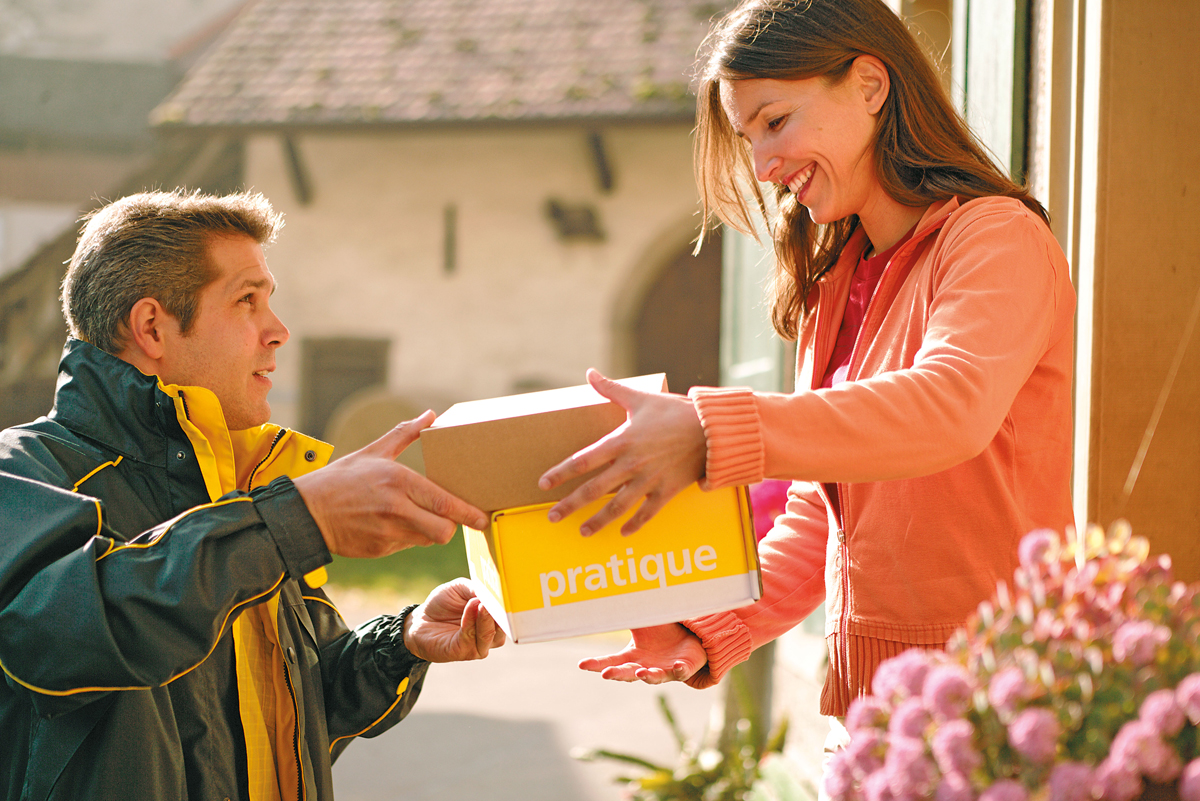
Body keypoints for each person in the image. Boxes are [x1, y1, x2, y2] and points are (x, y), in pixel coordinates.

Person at [538, 0, 1075, 762]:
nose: (761, 166)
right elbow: (821, 516)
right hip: (873, 718)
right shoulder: (839, 283)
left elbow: (950, 407)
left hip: (996, 706)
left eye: (775, 121)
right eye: (746, 136)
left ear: (869, 85)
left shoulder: (995, 239)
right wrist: (708, 626)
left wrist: (707, 430)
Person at [0, 189, 504, 801]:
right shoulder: (23, 475)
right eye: (247, 301)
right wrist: (295, 519)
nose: (279, 331)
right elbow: (66, 637)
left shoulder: (248, 490)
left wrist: (400, 644)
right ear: (152, 326)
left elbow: (293, 711)